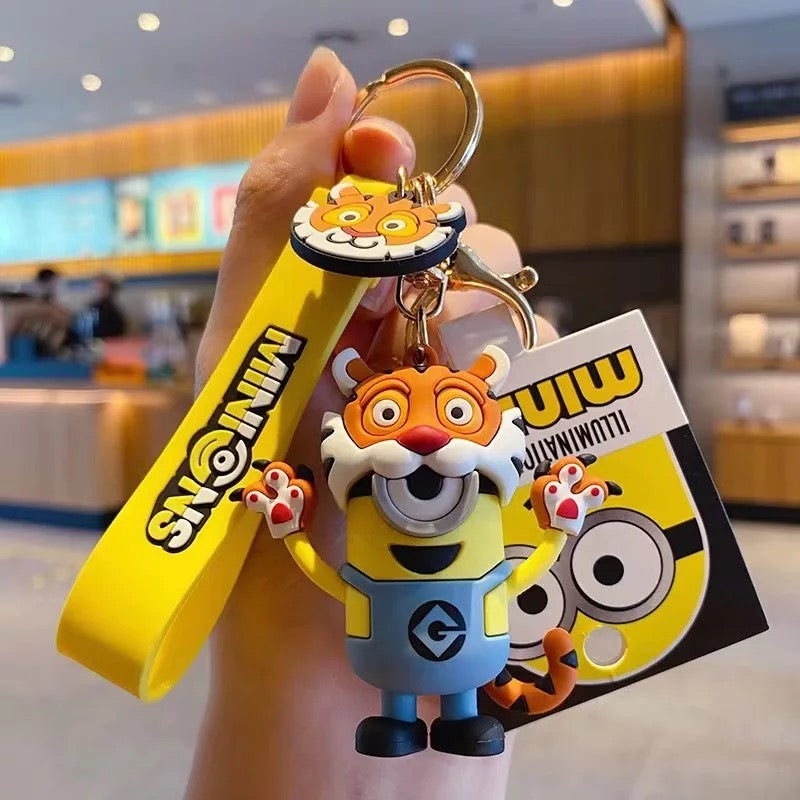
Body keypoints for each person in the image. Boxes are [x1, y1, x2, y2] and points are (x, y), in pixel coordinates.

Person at [186, 47, 557, 800]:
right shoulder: (367, 514)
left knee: (453, 680)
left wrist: (555, 516)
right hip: (377, 649)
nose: (422, 439)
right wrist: (289, 529)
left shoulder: (466, 509)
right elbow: (327, 574)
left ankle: (457, 722)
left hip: (455, 646)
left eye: (454, 416)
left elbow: (520, 565)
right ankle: (398, 720)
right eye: (388, 416)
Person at [86, 274, 126, 339]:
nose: (100, 290)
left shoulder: (113, 309)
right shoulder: (92, 308)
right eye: (98, 288)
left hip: (112, 340)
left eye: (104, 288)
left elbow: (119, 330)